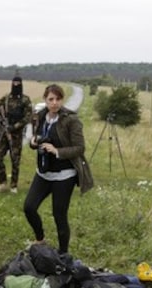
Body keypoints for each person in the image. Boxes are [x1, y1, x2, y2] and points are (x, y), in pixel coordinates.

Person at [24, 84, 94, 254]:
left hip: (64, 175)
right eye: (51, 99)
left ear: (62, 100)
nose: (54, 103)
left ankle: (63, 254)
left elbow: (79, 148)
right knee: (29, 207)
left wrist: (57, 151)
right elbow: (34, 138)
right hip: (43, 172)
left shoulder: (71, 120)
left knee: (59, 215)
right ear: (45, 100)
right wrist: (34, 142)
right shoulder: (40, 116)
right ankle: (40, 240)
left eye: (58, 99)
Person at [0, 76, 32, 194]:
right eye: (14, 82)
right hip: (3, 134)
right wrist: (3, 124)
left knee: (15, 160)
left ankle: (14, 185)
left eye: (18, 83)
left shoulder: (25, 100)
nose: (15, 85)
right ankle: (3, 183)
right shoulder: (5, 99)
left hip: (16, 135)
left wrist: (14, 127)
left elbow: (28, 116)